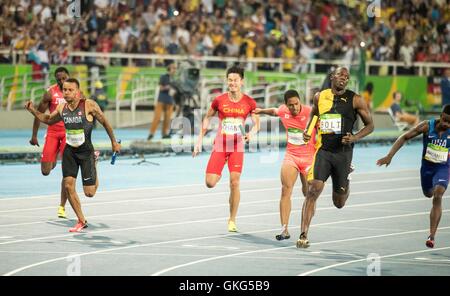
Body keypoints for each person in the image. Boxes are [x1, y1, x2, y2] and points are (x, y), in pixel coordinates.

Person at [25, 78, 121, 233]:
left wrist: (114, 143)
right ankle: (81, 220)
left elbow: (105, 123)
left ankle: (95, 163)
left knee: (89, 193)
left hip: (86, 152)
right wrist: (33, 111)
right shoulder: (62, 108)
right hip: (70, 152)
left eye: (70, 90)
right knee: (69, 185)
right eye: (64, 90)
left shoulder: (89, 105)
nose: (66, 93)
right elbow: (48, 120)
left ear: (78, 91)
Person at [298, 67, 374, 248]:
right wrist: (308, 131)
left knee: (339, 202)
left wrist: (355, 137)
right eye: (341, 75)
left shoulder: (355, 99)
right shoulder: (320, 96)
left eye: (347, 77)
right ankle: (303, 234)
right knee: (313, 190)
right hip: (323, 151)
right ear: (332, 77)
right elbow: (315, 114)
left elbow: (370, 125)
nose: (344, 79)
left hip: (343, 154)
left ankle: (347, 177)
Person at [192, 66, 260, 232]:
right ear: (227, 81)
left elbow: (257, 123)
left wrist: (250, 133)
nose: (232, 83)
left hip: (237, 146)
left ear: (242, 81)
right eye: (230, 80)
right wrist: (199, 140)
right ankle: (221, 167)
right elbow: (207, 117)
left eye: (236, 80)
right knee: (210, 183)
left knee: (235, 182)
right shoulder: (219, 100)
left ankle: (232, 219)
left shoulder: (249, 102)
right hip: (221, 145)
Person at [377, 105, 450, 248]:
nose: (447, 125)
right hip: (427, 169)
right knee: (428, 194)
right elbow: (404, 137)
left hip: (443, 168)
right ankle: (430, 191)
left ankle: (432, 236)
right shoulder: (426, 126)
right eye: (445, 121)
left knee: (438, 195)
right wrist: (389, 156)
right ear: (440, 116)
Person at [254, 90, 316, 240]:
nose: (294, 108)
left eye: (296, 104)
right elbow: (274, 111)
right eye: (291, 105)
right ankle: (284, 229)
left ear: (300, 101)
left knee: (308, 194)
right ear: (286, 105)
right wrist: (261, 110)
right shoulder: (284, 111)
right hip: (292, 157)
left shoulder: (311, 112)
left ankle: (305, 228)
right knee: (285, 190)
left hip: (309, 158)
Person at [29, 67, 70, 219]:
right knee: (45, 171)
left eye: (64, 78)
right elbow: (39, 114)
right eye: (58, 79)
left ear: (68, 77)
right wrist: (34, 135)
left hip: (68, 134)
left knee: (68, 174)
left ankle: (62, 206)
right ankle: (53, 160)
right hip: (53, 133)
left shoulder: (76, 92)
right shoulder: (50, 93)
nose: (61, 81)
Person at [148, 62, 177, 140]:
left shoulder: (175, 79)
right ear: (169, 69)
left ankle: (164, 133)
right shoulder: (163, 77)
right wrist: (167, 87)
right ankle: (151, 133)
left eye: (175, 68)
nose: (175, 70)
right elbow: (161, 88)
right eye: (173, 68)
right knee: (157, 118)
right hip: (161, 100)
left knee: (167, 119)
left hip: (170, 101)